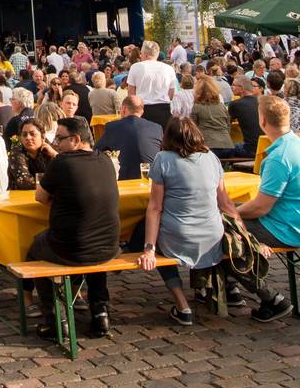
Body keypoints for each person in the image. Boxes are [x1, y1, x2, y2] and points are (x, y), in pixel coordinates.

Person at [137, 116, 244, 326]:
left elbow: (155, 207)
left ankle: (182, 304)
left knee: (149, 235)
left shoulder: (163, 159)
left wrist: (149, 248)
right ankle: (213, 288)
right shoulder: (211, 157)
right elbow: (226, 204)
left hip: (180, 237)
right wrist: (242, 232)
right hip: (212, 236)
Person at [31, 116, 121, 339]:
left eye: (60, 139)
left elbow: (40, 197)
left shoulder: (62, 162)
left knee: (35, 250)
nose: (56, 144)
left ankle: (56, 320)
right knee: (94, 249)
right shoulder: (105, 160)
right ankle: (100, 311)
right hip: (110, 245)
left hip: (72, 248)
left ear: (76, 139)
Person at [232, 98, 300, 321]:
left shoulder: (279, 157)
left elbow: (260, 207)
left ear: (262, 121)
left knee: (220, 234)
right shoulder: (295, 144)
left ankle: (271, 298)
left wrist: (231, 214)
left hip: (286, 227)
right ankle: (230, 287)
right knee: (226, 214)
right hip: (291, 218)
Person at [94, 95, 162, 181]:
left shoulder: (112, 127)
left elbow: (96, 151)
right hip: (152, 179)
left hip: (125, 179)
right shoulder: (156, 128)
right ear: (142, 111)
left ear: (124, 109)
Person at [125, 40, 176, 129]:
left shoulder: (135, 67)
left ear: (145, 54)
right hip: (164, 110)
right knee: (163, 136)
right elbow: (171, 94)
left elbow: (131, 94)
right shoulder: (169, 69)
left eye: (141, 53)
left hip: (142, 110)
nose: (140, 55)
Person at [189, 74, 236, 158]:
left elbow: (193, 129)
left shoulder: (197, 107)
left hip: (208, 146)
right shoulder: (222, 106)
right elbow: (228, 125)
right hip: (227, 145)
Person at [8, 120, 55, 190]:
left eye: (33, 134)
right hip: (21, 195)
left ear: (43, 136)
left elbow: (66, 173)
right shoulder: (16, 153)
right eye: (24, 135)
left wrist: (54, 154)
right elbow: (25, 182)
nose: (28, 138)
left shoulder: (50, 149)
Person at [229, 75, 265, 156]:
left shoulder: (235, 104)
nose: (232, 87)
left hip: (250, 149)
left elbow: (227, 124)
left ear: (242, 88)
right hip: (265, 147)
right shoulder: (262, 102)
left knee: (227, 148)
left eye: (234, 85)